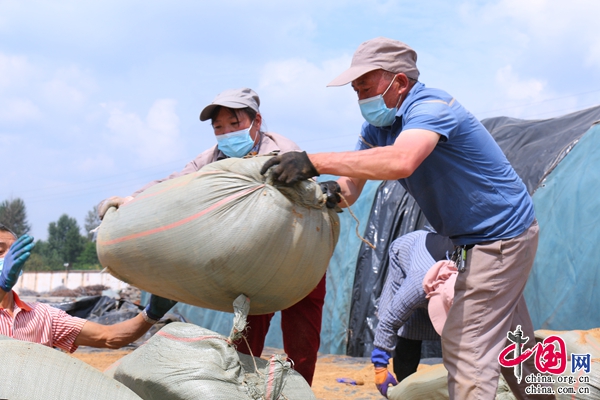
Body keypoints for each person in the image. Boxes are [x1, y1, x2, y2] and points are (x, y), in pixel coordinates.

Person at [261, 38, 552, 399]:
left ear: (398, 82)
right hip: (471, 240)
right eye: (355, 90)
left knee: (467, 347)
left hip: (500, 237)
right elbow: (350, 188)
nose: (359, 97)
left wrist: (313, 160)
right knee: (513, 342)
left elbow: (402, 161)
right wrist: (323, 193)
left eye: (365, 87)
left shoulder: (431, 107)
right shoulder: (376, 129)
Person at [97, 88, 330, 385]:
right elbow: (175, 184)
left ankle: (299, 390)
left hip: (299, 257)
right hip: (253, 265)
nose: (226, 133)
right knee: (246, 337)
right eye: (219, 127)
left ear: (256, 121)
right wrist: (132, 200)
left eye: (234, 124)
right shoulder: (211, 159)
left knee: (302, 342)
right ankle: (244, 389)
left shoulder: (283, 151)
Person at [0, 224, 176, 352]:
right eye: (1, 251)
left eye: (14, 250)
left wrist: (151, 314)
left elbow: (108, 336)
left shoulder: (43, 316)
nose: (10, 257)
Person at [371, 230, 454, 397]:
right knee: (408, 327)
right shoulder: (416, 286)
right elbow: (389, 322)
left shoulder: (473, 280)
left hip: (443, 267)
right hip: (407, 256)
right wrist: (380, 367)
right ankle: (404, 383)